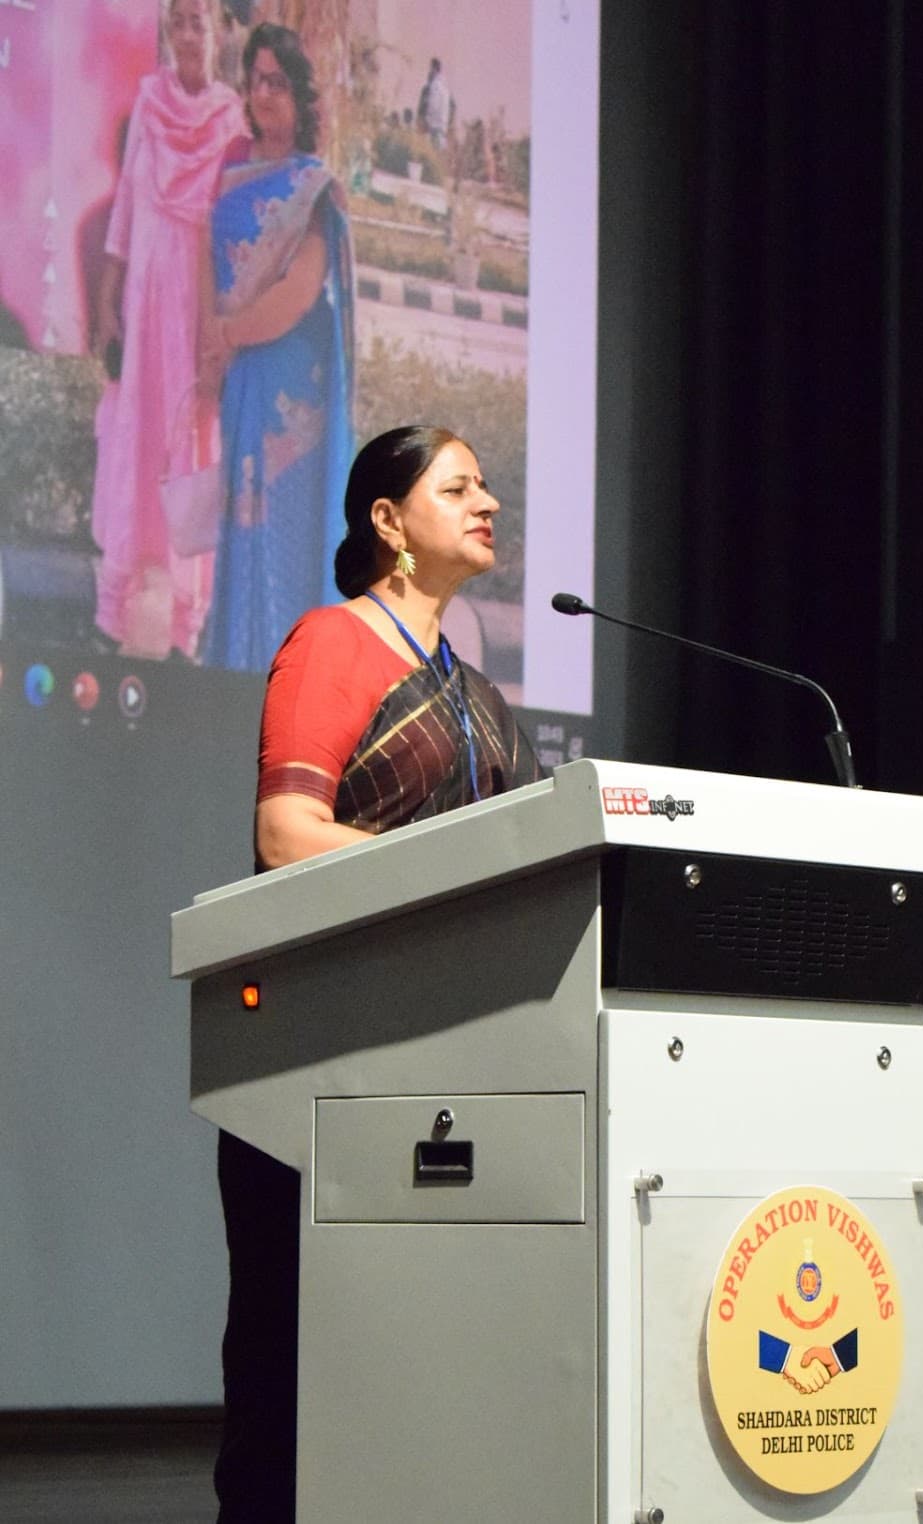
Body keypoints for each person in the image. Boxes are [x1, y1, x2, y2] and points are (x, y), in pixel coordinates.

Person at [214, 423, 541, 1521]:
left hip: (449, 1061)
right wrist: (448, 868)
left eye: (487, 484)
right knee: (294, 1349)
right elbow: (285, 832)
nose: (486, 500)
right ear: (387, 523)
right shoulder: (332, 643)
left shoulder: (473, 688)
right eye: (457, 486)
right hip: (314, 1057)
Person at [89, 0, 243, 659]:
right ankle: (116, 610)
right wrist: (107, 296)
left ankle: (186, 620)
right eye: (177, 21)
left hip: (195, 306)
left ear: (216, 35)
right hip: (147, 300)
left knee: (191, 449)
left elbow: (235, 233)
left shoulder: (231, 119)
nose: (187, 34)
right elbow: (126, 203)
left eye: (197, 23)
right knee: (136, 440)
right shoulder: (150, 101)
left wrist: (224, 330)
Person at [199, 21, 355, 671]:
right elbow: (206, 268)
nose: (263, 95)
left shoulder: (312, 186)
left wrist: (228, 334)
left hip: (293, 388)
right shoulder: (231, 172)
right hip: (243, 381)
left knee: (288, 541)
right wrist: (211, 355)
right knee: (242, 530)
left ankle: (290, 681)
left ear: (300, 98)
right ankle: (239, 671)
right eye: (255, 80)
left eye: (277, 83)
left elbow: (297, 291)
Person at [417, 56, 452, 151]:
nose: (429, 71)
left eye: (430, 68)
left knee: (431, 155)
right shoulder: (445, 88)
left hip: (434, 128)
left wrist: (426, 121)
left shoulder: (435, 86)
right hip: (442, 129)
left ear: (434, 69)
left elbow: (433, 106)